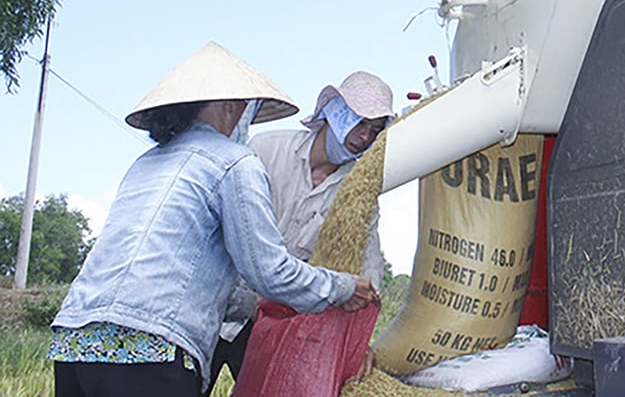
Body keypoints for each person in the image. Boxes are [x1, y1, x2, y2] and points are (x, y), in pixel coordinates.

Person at [49, 42, 379, 397]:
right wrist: (342, 288)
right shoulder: (235, 161)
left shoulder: (146, 163)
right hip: (153, 346)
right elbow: (269, 272)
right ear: (230, 107)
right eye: (248, 109)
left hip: (76, 342)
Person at [205, 70, 396, 392]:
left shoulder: (357, 188)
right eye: (359, 122)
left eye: (375, 130)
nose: (364, 137)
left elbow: (368, 259)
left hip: (268, 323)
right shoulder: (266, 150)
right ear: (333, 111)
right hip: (213, 306)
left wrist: (360, 339)